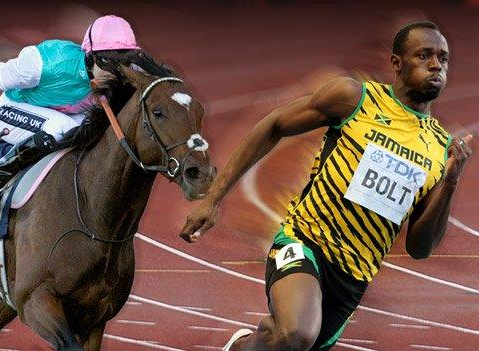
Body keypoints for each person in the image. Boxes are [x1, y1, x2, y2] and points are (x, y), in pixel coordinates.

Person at [179, 21, 473, 351]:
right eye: (424, 55)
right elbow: (274, 124)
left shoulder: (439, 147)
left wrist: (449, 182)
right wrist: (214, 198)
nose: (436, 65)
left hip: (353, 278)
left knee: (284, 342)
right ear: (396, 63)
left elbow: (420, 248)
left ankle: (242, 346)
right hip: (305, 241)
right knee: (297, 335)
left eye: (443, 58)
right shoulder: (355, 99)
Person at [0, 15, 141, 215]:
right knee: (64, 128)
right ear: (91, 55)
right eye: (110, 62)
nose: (116, 72)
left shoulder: (120, 72)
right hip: (13, 109)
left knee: (92, 128)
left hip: (56, 113)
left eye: (123, 61)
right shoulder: (45, 63)